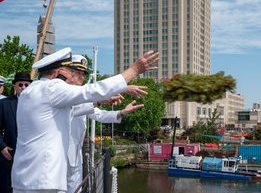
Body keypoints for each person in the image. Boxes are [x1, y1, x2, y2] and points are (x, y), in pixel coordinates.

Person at [11, 47, 159, 193]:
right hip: (44, 178)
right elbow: (91, 91)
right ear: (57, 73)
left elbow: (73, 110)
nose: (71, 77)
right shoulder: (52, 87)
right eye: (70, 72)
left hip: (25, 177)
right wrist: (134, 70)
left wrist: (100, 102)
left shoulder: (30, 90)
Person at [67, 55, 148, 192]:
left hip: (75, 158)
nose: (82, 77)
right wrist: (123, 88)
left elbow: (99, 114)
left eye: (83, 74)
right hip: (62, 159)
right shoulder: (64, 93)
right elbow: (92, 94)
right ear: (69, 73)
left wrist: (122, 112)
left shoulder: (81, 95)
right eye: (78, 73)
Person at [0, 72, 32, 193]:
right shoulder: (4, 104)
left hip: (31, 155)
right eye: (20, 85)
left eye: (26, 85)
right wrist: (2, 147)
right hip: (9, 154)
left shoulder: (38, 104)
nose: (23, 87)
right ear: (15, 86)